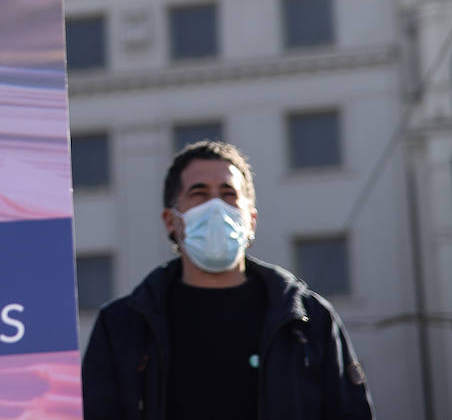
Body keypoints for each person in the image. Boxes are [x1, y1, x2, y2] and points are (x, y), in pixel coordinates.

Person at [80, 140, 373, 420]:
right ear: (171, 221)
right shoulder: (122, 327)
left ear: (251, 220)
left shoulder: (308, 321)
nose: (216, 208)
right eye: (199, 194)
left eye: (228, 194)